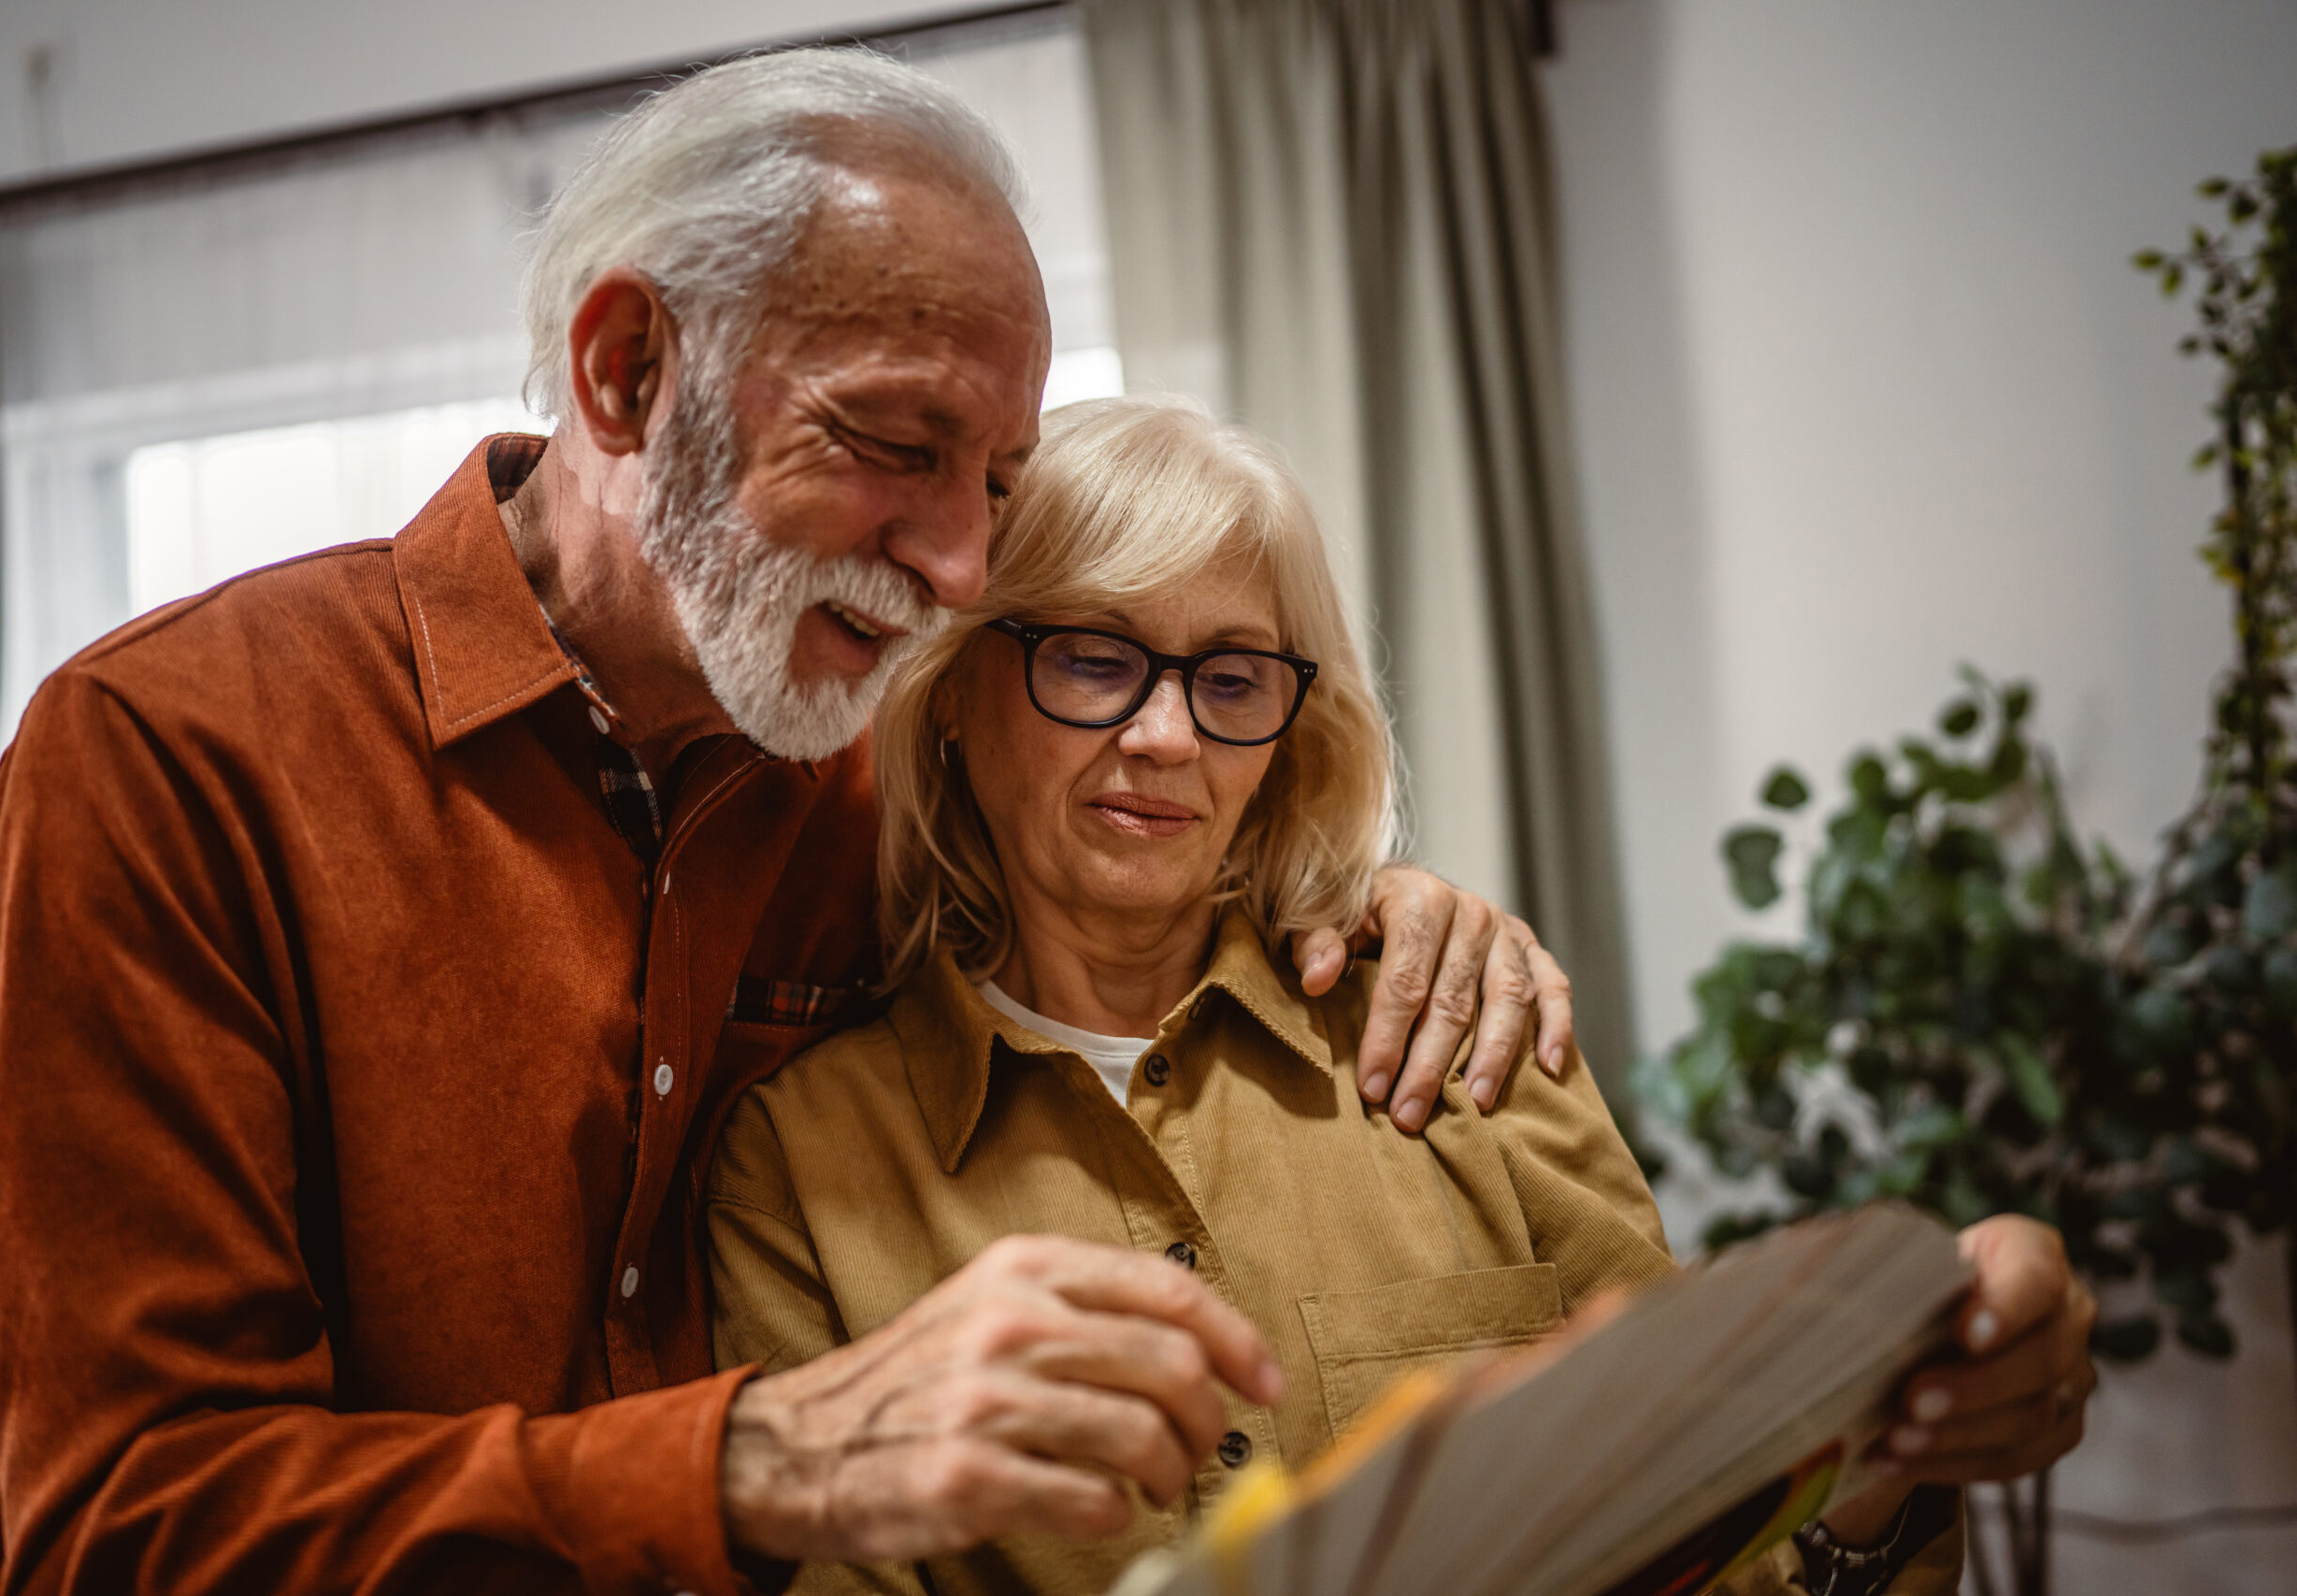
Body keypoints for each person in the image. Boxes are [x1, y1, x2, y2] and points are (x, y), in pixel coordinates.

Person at [0, 50, 1590, 1596]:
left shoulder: (888, 762)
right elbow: (119, 1534)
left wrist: (1382, 903)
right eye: (897, 447)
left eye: (1002, 486)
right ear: (628, 372)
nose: (961, 569)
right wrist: (754, 1464)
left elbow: (1153, 872)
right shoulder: (173, 751)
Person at [705, 397, 2099, 1596]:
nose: (1167, 735)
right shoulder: (798, 1167)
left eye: (1232, 676)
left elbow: (1719, 1546)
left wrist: (1889, 1449)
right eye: (1091, 655)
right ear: (954, 694)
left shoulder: (1470, 1043)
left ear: (1287, 733)